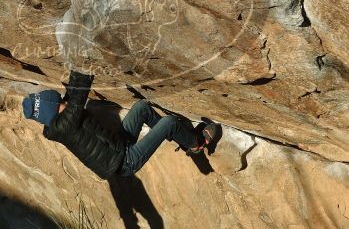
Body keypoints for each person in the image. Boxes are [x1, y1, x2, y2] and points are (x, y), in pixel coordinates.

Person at [23, 71, 217, 179]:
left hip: (118, 145)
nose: (65, 101)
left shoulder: (59, 120)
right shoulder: (65, 125)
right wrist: (84, 65)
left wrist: (75, 61)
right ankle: (195, 144)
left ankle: (181, 136)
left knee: (141, 108)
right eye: (61, 102)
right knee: (169, 122)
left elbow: (72, 95)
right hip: (125, 162)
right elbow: (78, 97)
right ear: (55, 110)